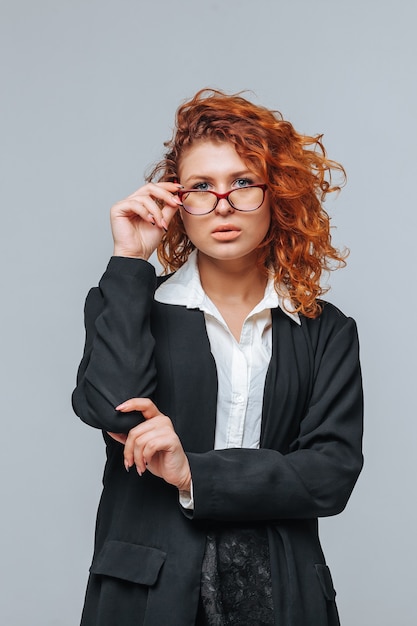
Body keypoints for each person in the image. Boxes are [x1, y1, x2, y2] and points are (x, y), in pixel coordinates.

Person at [72, 89, 363, 626]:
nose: (222, 204)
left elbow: (330, 472)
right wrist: (130, 259)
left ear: (278, 196)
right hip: (148, 594)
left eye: (242, 183)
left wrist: (193, 474)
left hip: (281, 589)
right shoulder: (129, 300)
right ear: (177, 202)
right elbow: (113, 411)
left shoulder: (327, 331)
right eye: (201, 187)